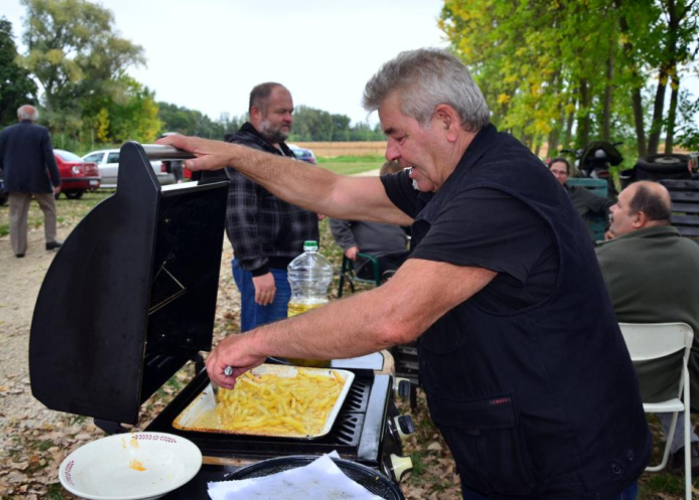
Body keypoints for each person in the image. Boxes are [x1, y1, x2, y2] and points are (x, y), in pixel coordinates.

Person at [159, 48, 649, 499]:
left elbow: (391, 318)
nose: (390, 153)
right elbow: (333, 192)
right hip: (514, 450)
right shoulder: (453, 176)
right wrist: (237, 156)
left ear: (446, 121)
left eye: (396, 135)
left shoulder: (497, 193)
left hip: (566, 460)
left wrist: (256, 340)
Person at [596, 180, 699, 474]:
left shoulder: (603, 260)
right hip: (678, 381)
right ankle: (685, 443)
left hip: (610, 383)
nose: (612, 209)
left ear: (638, 218)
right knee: (673, 359)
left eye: (619, 204)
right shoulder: (695, 256)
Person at [223, 82, 318, 332]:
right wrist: (258, 270)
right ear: (257, 113)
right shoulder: (245, 153)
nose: (289, 118)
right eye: (281, 112)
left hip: (289, 267)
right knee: (265, 350)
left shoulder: (277, 150)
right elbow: (238, 216)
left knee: (287, 342)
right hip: (269, 271)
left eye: (291, 111)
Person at [0, 105, 61, 258]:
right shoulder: (41, 132)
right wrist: (56, 181)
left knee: (17, 215)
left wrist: (9, 171)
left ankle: (19, 249)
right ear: (35, 118)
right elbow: (49, 158)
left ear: (19, 116)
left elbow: (0, 158)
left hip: (14, 180)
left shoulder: (5, 132)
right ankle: (51, 240)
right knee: (49, 209)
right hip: (38, 178)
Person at [329, 160, 409, 281]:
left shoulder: (400, 202)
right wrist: (348, 245)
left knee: (421, 268)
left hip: (400, 254)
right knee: (395, 275)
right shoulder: (366, 200)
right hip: (373, 259)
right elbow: (336, 216)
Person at [548, 157, 613, 221]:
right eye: (554, 171)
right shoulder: (539, 195)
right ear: (546, 173)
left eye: (562, 173)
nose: (557, 176)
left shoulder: (578, 193)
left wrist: (611, 229)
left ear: (567, 176)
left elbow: (607, 204)